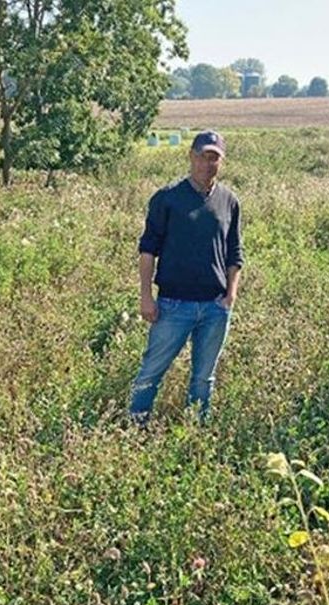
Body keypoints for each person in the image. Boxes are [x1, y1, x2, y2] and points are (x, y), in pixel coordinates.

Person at [129, 130, 243, 425]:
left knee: (204, 378)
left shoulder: (229, 201)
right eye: (203, 156)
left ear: (222, 161)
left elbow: (235, 253)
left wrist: (230, 296)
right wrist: (145, 296)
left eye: (214, 158)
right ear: (190, 156)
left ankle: (195, 433)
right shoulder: (167, 199)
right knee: (151, 372)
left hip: (214, 308)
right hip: (172, 306)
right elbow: (148, 250)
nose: (208, 164)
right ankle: (134, 428)